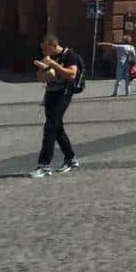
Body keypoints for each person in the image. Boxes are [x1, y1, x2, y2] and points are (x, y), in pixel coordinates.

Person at [31, 34, 83, 177]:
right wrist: (42, 72)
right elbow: (44, 77)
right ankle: (71, 159)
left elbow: (72, 74)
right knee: (57, 128)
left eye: (45, 48)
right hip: (51, 94)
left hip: (63, 95)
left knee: (50, 127)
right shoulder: (49, 57)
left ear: (52, 45)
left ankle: (44, 165)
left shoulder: (69, 55)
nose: (43, 51)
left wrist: (53, 65)